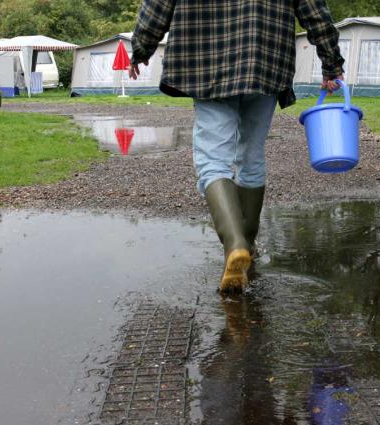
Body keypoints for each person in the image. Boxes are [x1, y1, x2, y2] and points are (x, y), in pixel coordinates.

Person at [129, 0, 345, 292]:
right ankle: (248, 248)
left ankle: (235, 245)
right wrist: (331, 63)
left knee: (212, 161)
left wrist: (142, 47)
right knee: (251, 156)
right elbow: (314, 10)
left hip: (206, 59)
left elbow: (158, 5)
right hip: (267, 59)